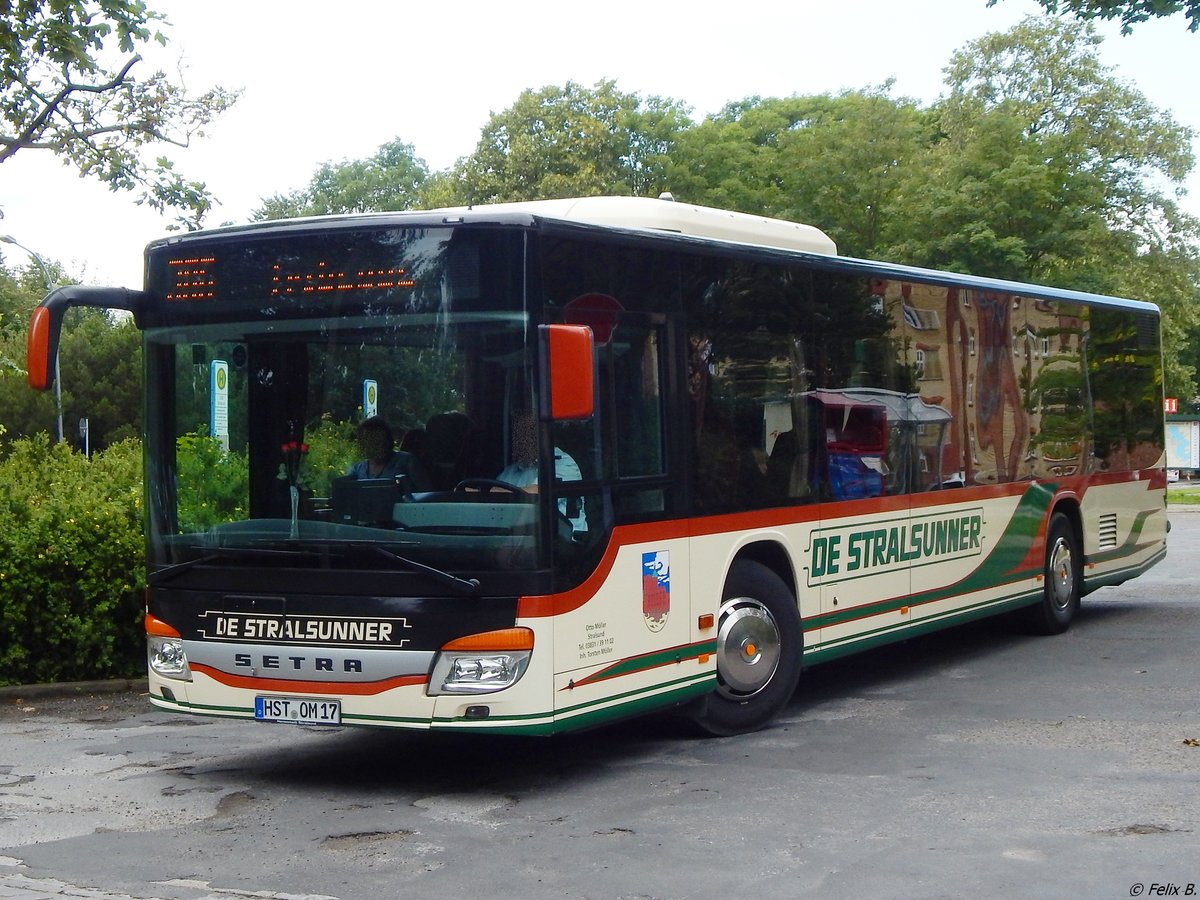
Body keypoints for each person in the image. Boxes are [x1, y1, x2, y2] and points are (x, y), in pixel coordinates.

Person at [498, 410, 586, 533]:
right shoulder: (512, 470)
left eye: (528, 433)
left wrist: (480, 493)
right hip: (525, 535)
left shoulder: (563, 463)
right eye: (518, 434)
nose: (521, 440)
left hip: (565, 538)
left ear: (541, 435)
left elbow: (536, 494)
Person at [347, 417, 430, 489]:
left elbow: (427, 493)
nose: (370, 443)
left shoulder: (407, 461)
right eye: (365, 439)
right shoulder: (357, 470)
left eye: (375, 438)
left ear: (386, 439)